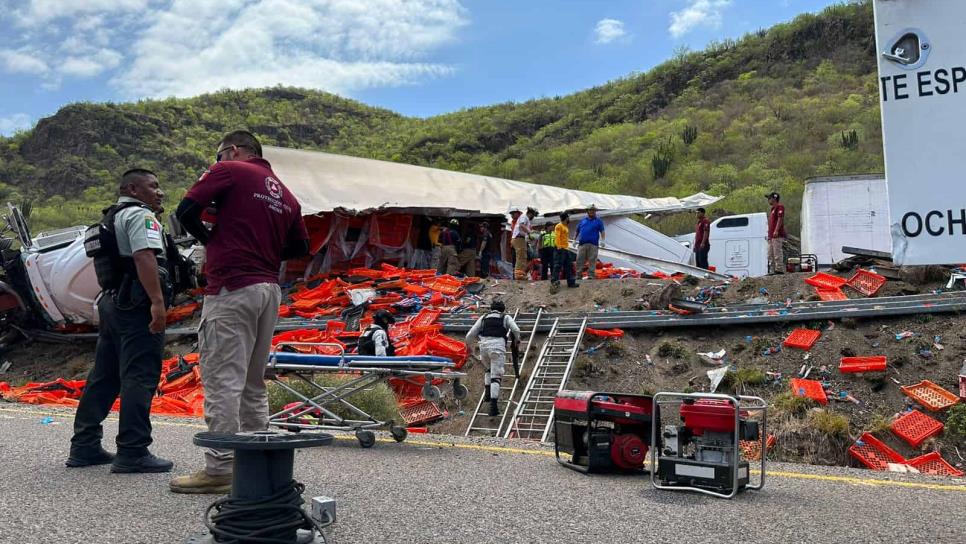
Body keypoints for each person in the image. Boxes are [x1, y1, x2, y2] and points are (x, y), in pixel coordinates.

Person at [170, 130, 309, 494]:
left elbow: (184, 211)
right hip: (268, 289)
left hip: (232, 287)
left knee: (222, 379)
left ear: (232, 151)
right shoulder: (286, 194)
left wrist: (213, 240)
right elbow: (300, 245)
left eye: (218, 155)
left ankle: (219, 467)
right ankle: (255, 462)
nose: (217, 162)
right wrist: (260, 251)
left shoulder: (229, 170)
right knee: (252, 381)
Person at [67, 169, 174, 474]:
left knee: (105, 376)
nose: (160, 192)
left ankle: (84, 445)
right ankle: (133, 450)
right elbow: (144, 257)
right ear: (133, 189)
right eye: (153, 186)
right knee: (140, 375)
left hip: (113, 303)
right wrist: (157, 302)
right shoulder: (139, 216)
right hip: (136, 306)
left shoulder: (110, 217)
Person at [465, 300, 521, 416]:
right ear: (502, 309)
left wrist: (469, 347)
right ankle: (493, 407)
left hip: (483, 347)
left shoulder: (483, 317)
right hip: (497, 347)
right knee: (496, 376)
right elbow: (516, 329)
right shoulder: (505, 317)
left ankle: (487, 394)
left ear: (491, 309)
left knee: (488, 369)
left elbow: (469, 335)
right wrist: (517, 340)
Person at [575, 204, 606, 279]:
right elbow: (577, 230)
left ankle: (591, 275)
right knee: (579, 259)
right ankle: (578, 275)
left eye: (593, 210)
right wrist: (574, 239)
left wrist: (603, 240)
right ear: (587, 211)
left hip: (593, 244)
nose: (592, 211)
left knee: (592, 260)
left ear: (595, 211)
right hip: (582, 244)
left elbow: (602, 231)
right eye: (590, 210)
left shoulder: (599, 221)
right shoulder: (583, 221)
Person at [552, 212, 578, 288]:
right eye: (568, 217)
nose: (569, 219)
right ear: (566, 218)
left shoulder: (565, 226)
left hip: (566, 248)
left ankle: (571, 282)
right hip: (560, 248)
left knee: (568, 265)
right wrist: (559, 247)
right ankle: (554, 281)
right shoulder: (559, 226)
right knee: (558, 265)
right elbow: (557, 237)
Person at [511, 207, 537, 280]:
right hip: (518, 238)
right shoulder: (524, 216)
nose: (533, 217)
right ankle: (518, 275)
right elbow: (521, 226)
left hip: (521, 239)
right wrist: (530, 232)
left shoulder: (526, 219)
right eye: (534, 215)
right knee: (520, 257)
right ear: (531, 213)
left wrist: (530, 235)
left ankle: (521, 274)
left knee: (523, 257)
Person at [766, 192, 786, 275]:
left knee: (777, 252)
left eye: (769, 198)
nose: (768, 200)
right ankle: (772, 269)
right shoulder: (772, 209)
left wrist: (776, 230)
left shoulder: (779, 207)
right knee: (770, 253)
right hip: (771, 235)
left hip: (776, 235)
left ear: (774, 198)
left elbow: (780, 218)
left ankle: (779, 269)